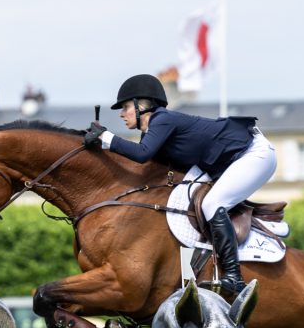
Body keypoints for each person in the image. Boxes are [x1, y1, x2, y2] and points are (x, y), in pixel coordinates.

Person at [83, 74, 277, 296]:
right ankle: (192, 274)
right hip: (226, 162)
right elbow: (140, 161)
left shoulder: (162, 119)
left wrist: (106, 137)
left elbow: (141, 154)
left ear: (142, 106)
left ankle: (234, 277)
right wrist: (100, 145)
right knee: (182, 201)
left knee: (212, 204)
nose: (121, 113)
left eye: (126, 106)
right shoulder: (155, 131)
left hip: (254, 154)